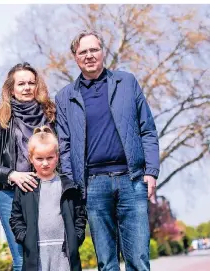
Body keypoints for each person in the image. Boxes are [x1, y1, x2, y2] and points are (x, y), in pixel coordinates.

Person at [55, 30, 160, 271]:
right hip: (93, 186)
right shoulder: (65, 97)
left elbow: (148, 129)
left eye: (94, 49)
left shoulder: (127, 82)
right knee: (106, 262)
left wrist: (151, 171)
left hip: (131, 181)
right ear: (75, 57)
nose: (89, 55)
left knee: (139, 260)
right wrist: (73, 185)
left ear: (103, 52)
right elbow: (64, 146)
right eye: (83, 51)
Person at [0, 62, 56, 271]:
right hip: (11, 195)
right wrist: (12, 175)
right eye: (21, 83)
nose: (27, 88)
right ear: (11, 89)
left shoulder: (50, 116)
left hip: (46, 193)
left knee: (46, 256)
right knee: (22, 260)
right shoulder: (1, 120)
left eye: (31, 83)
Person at [9, 126, 86, 271]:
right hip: (37, 254)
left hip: (64, 254)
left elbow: (79, 215)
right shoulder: (26, 186)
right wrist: (25, 238)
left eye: (50, 158)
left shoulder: (68, 186)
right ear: (31, 158)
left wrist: (76, 238)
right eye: (39, 158)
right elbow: (15, 217)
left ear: (57, 156)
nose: (45, 163)